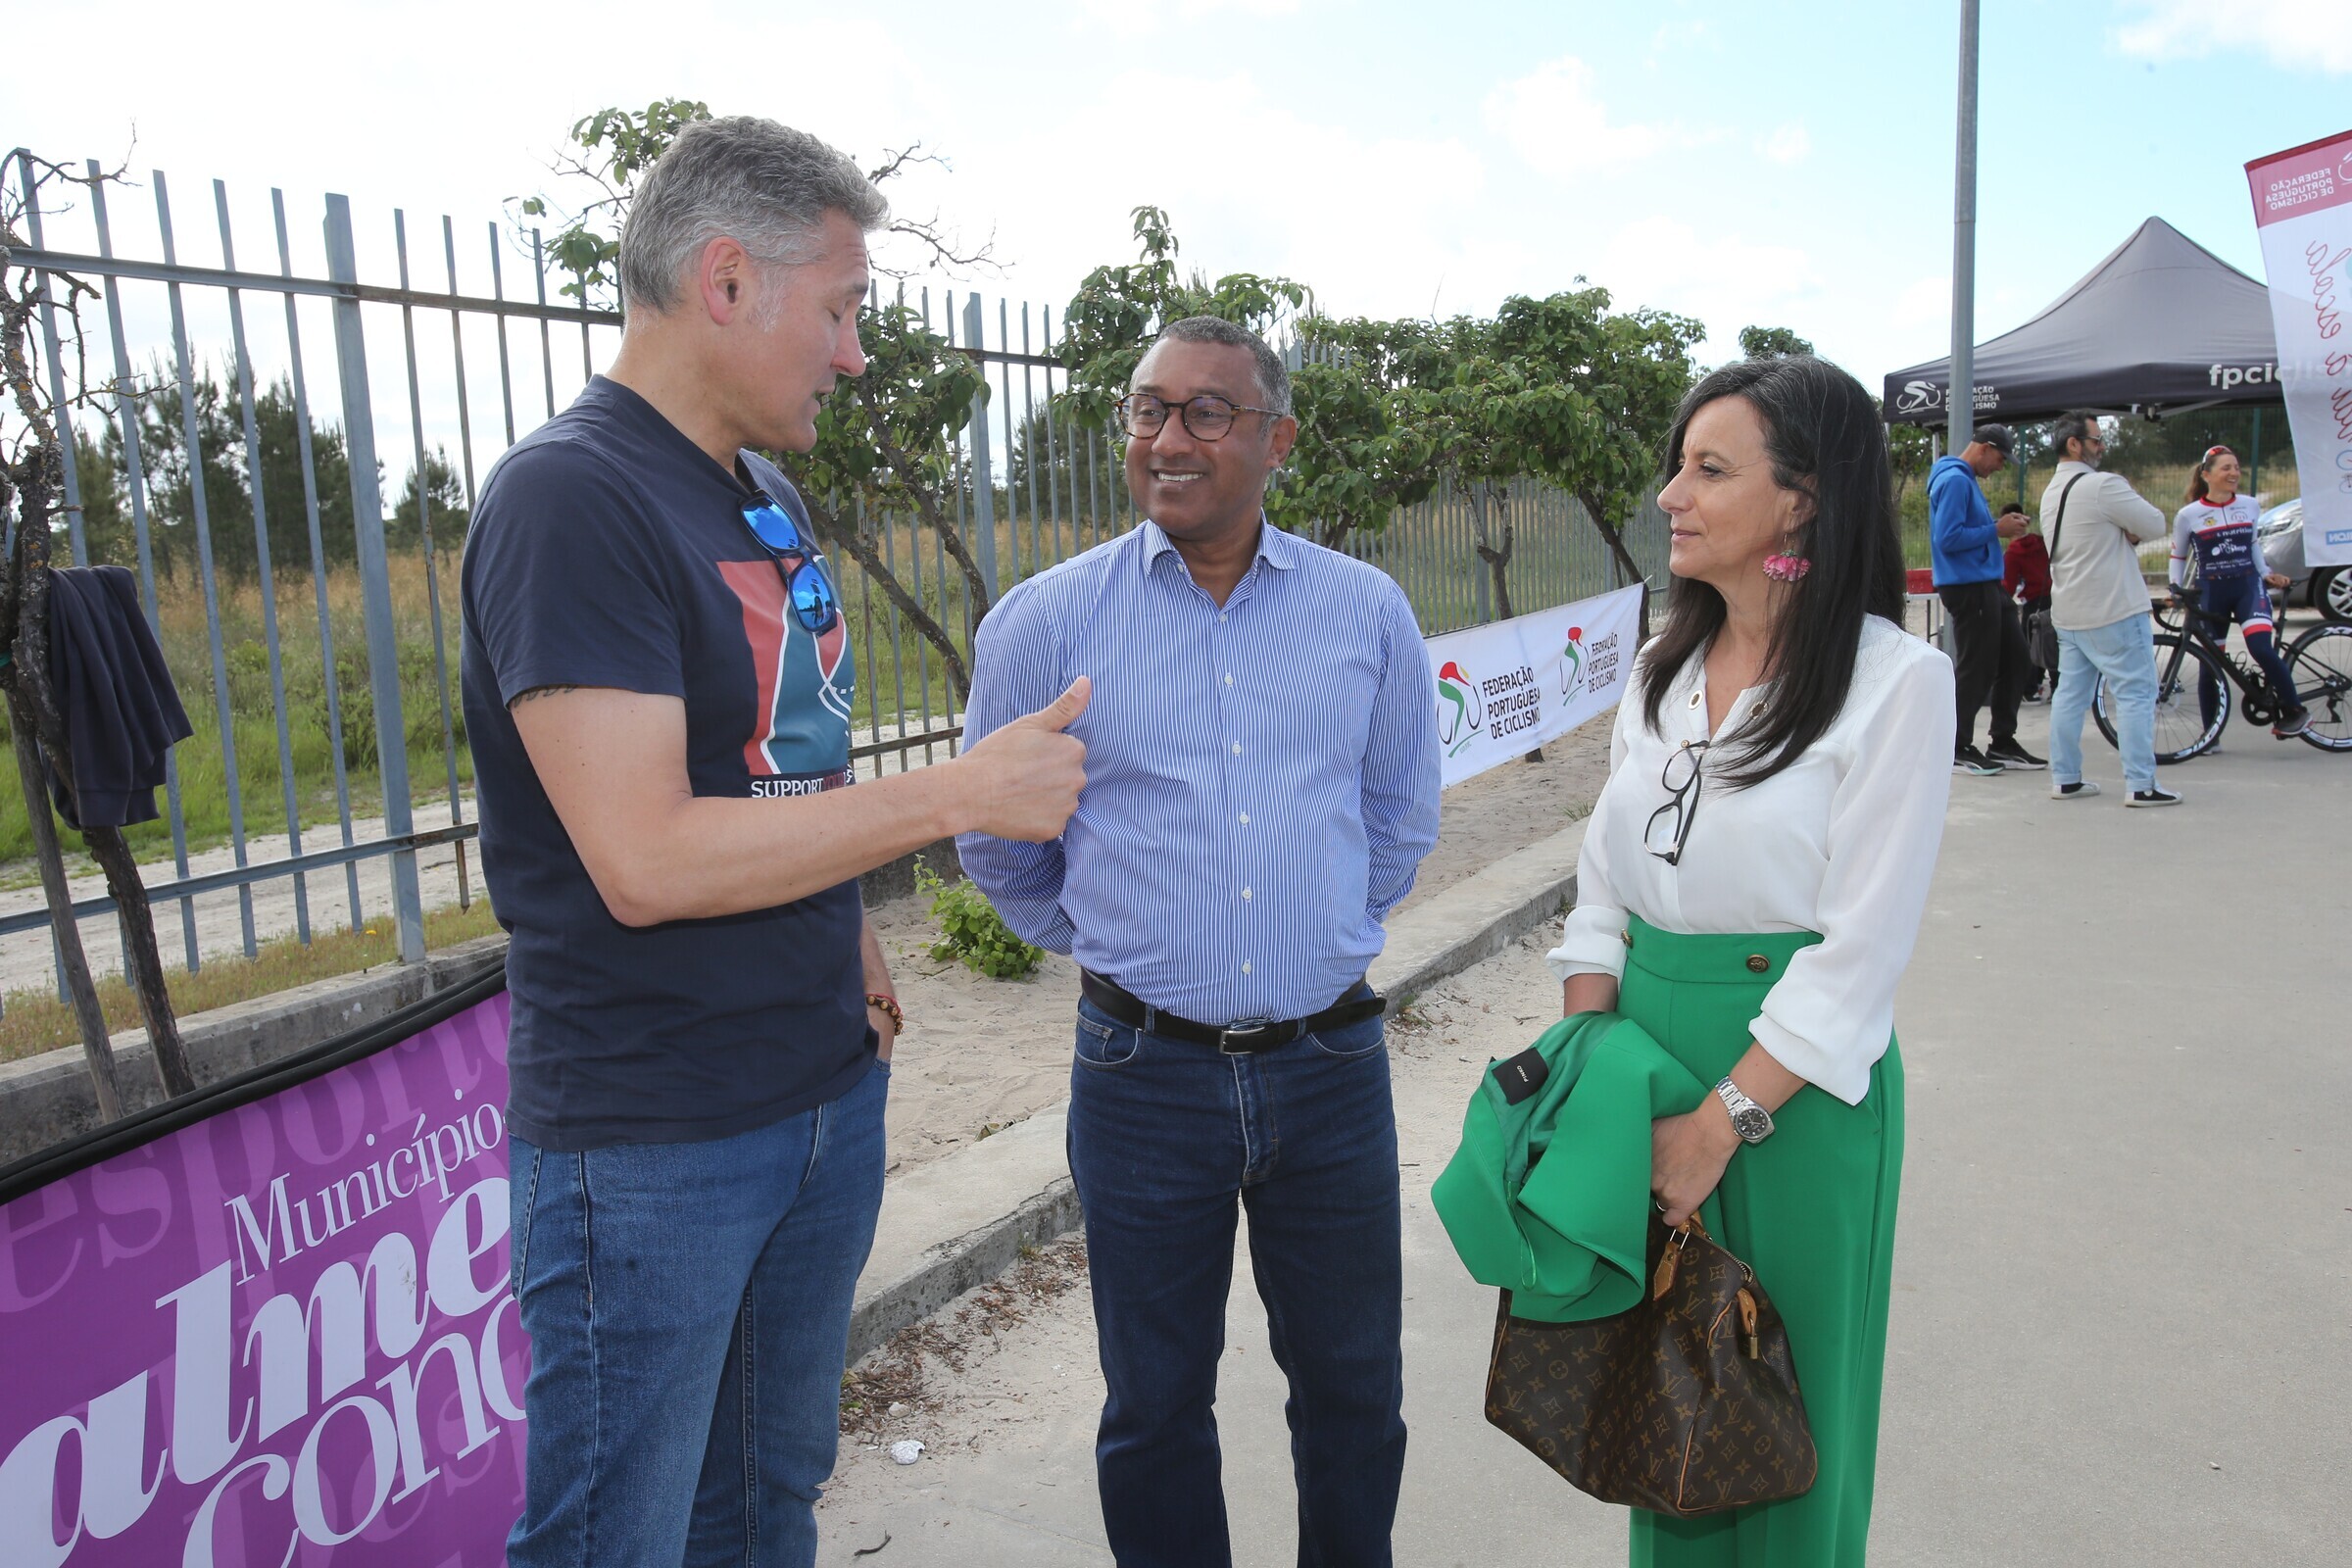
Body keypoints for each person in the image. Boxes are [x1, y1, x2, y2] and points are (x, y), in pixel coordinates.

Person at [460, 116, 1089, 1568]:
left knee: (763, 1504)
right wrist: (954, 795)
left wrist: (849, 928)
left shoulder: (765, 493)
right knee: (615, 1539)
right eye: (842, 310)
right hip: (655, 1141)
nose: (855, 355)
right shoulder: (572, 498)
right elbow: (647, 860)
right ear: (728, 280)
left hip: (819, 1096)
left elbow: (776, 764)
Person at [958, 316, 1442, 1568]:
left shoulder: (1363, 611)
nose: (1168, 438)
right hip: (1142, 1076)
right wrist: (1117, 947)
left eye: (1207, 412)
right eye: (1147, 409)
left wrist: (1312, 938)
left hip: (1329, 1068)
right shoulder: (1042, 625)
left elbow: (1397, 816)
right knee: (1155, 1402)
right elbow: (995, 844)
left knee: (1353, 1388)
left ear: (1279, 439)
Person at [1545, 355, 1952, 1567]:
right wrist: (1588, 1063)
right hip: (1643, 1061)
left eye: (1711, 470)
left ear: (1802, 502)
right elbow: (1603, 888)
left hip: (1793, 1090)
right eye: (1679, 464)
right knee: (1669, 1416)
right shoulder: (1658, 671)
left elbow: (1858, 950)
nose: (1671, 494)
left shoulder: (1895, 684)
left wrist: (1717, 1124)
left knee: (1788, 1427)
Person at [2040, 411, 2180, 806]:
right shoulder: (2103, 485)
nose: (2102, 447)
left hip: (2069, 610)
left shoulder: (2052, 491)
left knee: (2070, 695)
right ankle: (2141, 783)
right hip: (2114, 608)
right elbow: (2155, 524)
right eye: (2097, 440)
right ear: (2074, 444)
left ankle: (2065, 778)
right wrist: (2125, 527)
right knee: (2136, 693)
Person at [2169, 443, 2309, 739]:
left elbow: (2253, 544)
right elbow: (2178, 556)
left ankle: (2295, 710)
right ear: (2206, 474)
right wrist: (2176, 589)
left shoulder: (2250, 505)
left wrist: (2267, 574)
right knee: (2210, 664)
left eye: (2236, 467)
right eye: (2226, 468)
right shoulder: (2188, 514)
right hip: (2211, 590)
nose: (2234, 473)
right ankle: (2210, 736)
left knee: (2261, 648)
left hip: (2248, 586)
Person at [1928, 421, 2040, 772]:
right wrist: (1996, 529)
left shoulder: (1964, 480)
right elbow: (1947, 538)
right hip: (1968, 586)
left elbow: (1963, 530)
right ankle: (1956, 745)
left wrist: (1996, 526)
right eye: (2001, 458)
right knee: (1978, 666)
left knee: (2017, 658)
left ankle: (2003, 741)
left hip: (1986, 583)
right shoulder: (1955, 480)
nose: (2001, 466)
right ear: (1985, 447)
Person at [2001, 507, 2056, 701]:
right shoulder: (2041, 542)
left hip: (2033, 602)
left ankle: (2030, 688)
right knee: (2053, 644)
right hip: (2053, 597)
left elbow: (2008, 586)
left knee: (2031, 646)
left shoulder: (2013, 553)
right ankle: (2056, 687)